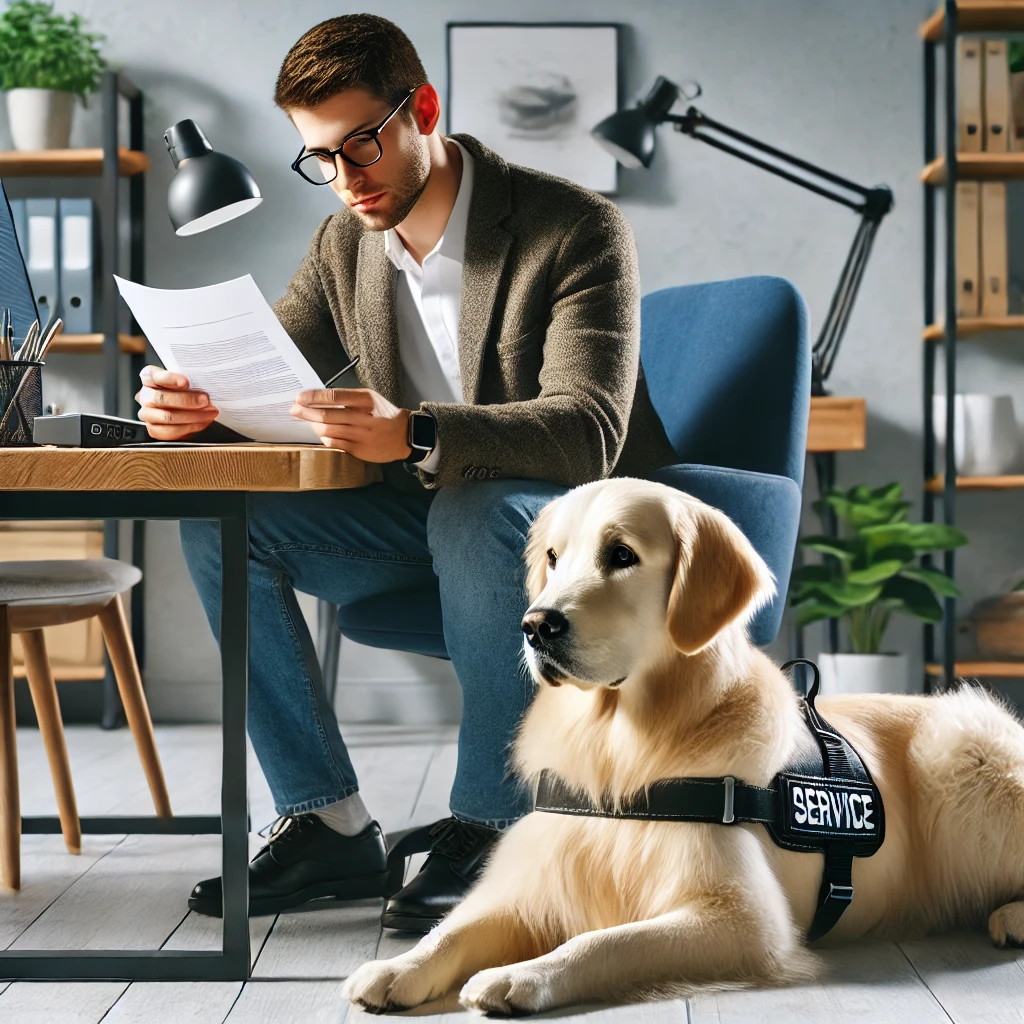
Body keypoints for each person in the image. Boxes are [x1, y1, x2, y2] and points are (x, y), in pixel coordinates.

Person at [136, 13, 676, 932]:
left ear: (422, 107)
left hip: (576, 541)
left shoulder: (573, 227)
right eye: (321, 158)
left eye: (362, 146)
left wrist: (419, 433)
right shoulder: (345, 244)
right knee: (223, 517)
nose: (346, 181)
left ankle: (501, 825)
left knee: (471, 510)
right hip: (425, 528)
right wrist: (190, 405)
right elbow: (266, 365)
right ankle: (327, 820)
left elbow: (587, 429)